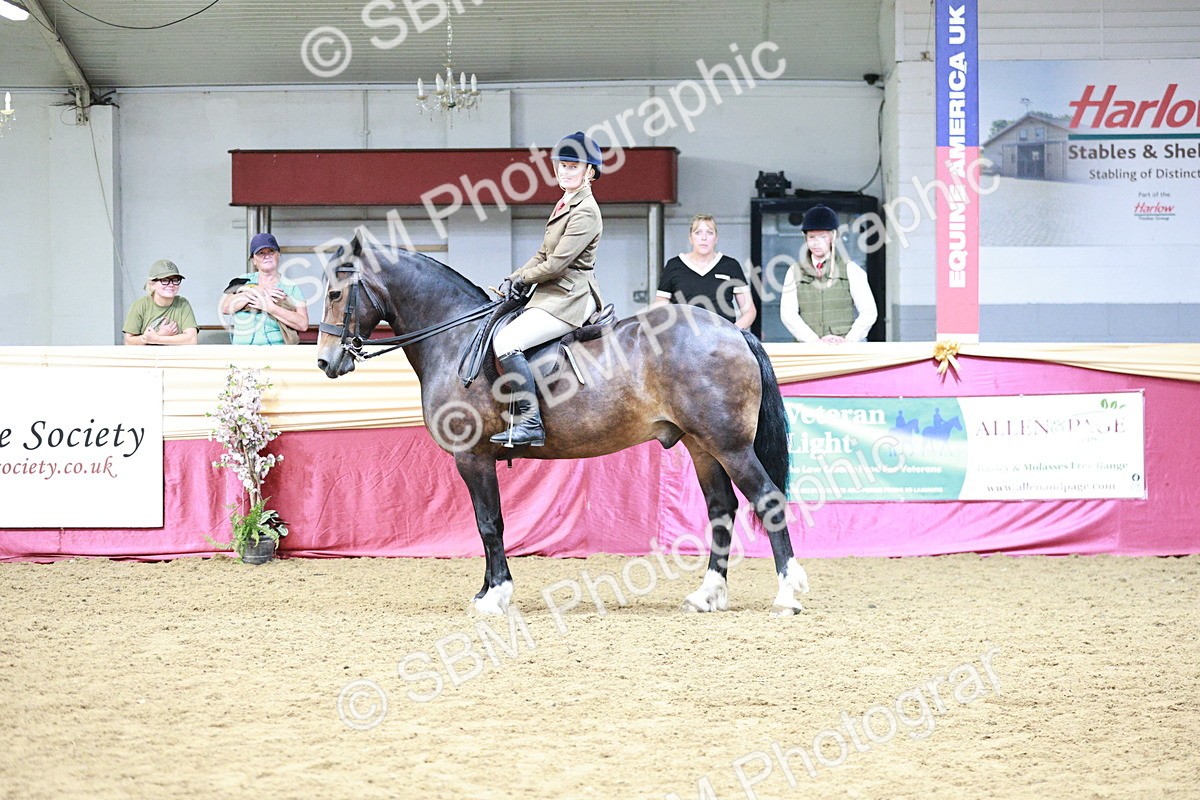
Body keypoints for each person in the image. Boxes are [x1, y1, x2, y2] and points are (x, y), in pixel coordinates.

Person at [490, 131, 605, 448]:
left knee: (507, 342)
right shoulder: (565, 202)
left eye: (573, 166)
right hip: (552, 293)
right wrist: (514, 276)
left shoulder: (585, 210)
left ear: (590, 171)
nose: (565, 172)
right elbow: (542, 254)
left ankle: (530, 422)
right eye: (562, 166)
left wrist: (524, 280)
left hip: (570, 296)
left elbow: (555, 265)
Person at [779, 205, 877, 344]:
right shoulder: (794, 271)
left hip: (843, 348)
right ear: (805, 238)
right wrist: (814, 341)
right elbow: (788, 314)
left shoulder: (851, 270)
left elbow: (868, 312)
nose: (816, 242)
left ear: (833, 236)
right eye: (812, 237)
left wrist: (849, 340)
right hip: (806, 349)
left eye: (823, 237)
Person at [651, 213, 755, 329]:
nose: (704, 238)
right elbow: (659, 310)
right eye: (698, 232)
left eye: (709, 232)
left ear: (716, 238)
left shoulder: (731, 266)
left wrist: (732, 332)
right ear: (690, 238)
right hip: (684, 337)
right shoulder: (674, 265)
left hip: (721, 337)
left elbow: (749, 311)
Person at [219, 232, 308, 345]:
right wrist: (256, 291)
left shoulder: (290, 287)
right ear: (253, 260)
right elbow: (225, 308)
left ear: (278, 255)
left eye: (271, 251)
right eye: (261, 253)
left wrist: (270, 307)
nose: (267, 256)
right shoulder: (242, 281)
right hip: (242, 352)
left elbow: (303, 324)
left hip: (277, 352)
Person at [122, 259, 198, 345]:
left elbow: (192, 339)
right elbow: (128, 341)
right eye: (164, 280)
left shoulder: (182, 304)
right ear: (152, 284)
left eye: (175, 280)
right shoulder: (140, 305)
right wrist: (157, 335)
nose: (171, 284)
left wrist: (157, 338)